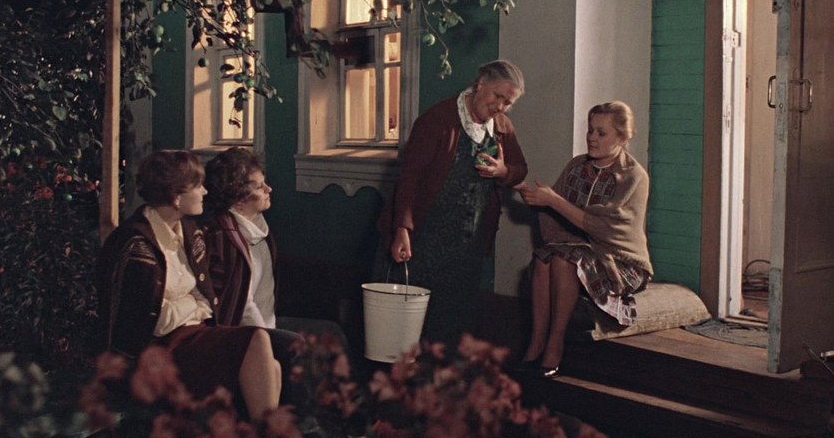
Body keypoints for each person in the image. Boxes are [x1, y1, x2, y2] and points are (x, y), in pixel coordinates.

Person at [97, 150, 283, 438]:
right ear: (176, 197)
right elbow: (155, 321)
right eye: (197, 186)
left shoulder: (190, 231)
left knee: (273, 367)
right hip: (155, 352)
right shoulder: (134, 243)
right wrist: (193, 306)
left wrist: (188, 306)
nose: (205, 192)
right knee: (257, 340)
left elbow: (206, 301)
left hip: (191, 336)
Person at [378, 59, 528, 348]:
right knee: (411, 324)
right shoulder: (437, 120)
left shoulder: (501, 127)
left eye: (508, 103)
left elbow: (520, 169)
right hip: (424, 237)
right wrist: (402, 229)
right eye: (497, 96)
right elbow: (409, 178)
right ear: (480, 84)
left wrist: (503, 171)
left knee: (454, 320)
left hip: (468, 243)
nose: (500, 107)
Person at [515, 101, 653, 380]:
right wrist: (536, 198)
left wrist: (554, 201)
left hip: (620, 260)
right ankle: (537, 341)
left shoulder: (633, 176)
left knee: (563, 259)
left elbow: (606, 228)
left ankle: (555, 344)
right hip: (578, 249)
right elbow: (554, 216)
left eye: (601, 132)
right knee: (544, 257)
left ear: (622, 137)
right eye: (590, 130)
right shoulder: (577, 166)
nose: (591, 137)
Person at [201, 147, 350, 371]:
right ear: (238, 198)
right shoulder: (222, 236)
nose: (269, 189)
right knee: (304, 349)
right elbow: (242, 308)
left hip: (269, 322)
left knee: (333, 333)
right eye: (259, 186)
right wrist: (265, 342)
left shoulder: (258, 228)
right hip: (244, 334)